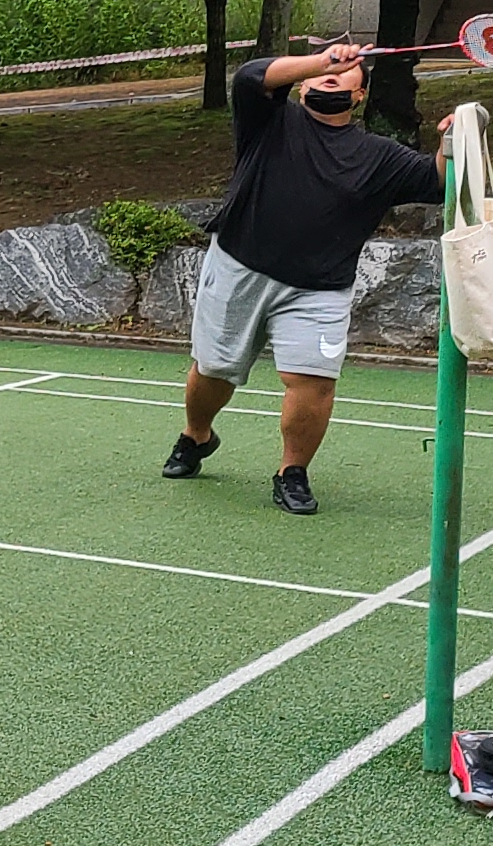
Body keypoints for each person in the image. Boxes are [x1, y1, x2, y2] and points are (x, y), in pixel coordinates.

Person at [162, 42, 451, 515]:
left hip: (319, 288)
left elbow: (436, 182)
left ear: (360, 96)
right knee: (213, 370)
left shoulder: (378, 156)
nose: (331, 77)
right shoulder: (269, 120)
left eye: (346, 73)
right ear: (300, 86)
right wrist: (322, 60)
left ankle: (291, 472)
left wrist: (453, 142)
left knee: (312, 381)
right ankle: (197, 435)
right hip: (238, 266)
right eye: (321, 73)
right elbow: (250, 76)